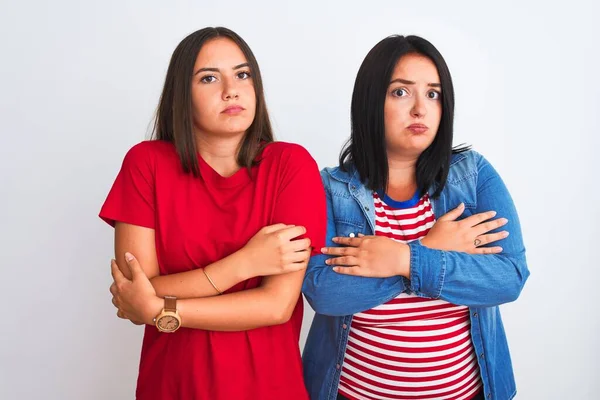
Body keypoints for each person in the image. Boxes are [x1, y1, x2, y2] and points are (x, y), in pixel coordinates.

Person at [99, 26, 326, 400]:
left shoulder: (291, 165)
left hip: (267, 387)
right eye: (209, 78)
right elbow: (134, 289)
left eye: (243, 74)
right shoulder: (146, 163)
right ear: (181, 95)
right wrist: (244, 264)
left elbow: (275, 305)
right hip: (171, 385)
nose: (231, 90)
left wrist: (160, 309)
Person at [302, 35, 529, 400]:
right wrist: (429, 248)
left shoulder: (473, 177)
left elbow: (509, 278)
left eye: (433, 94)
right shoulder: (331, 188)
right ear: (370, 101)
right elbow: (325, 293)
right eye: (401, 92)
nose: (421, 109)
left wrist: (406, 258)